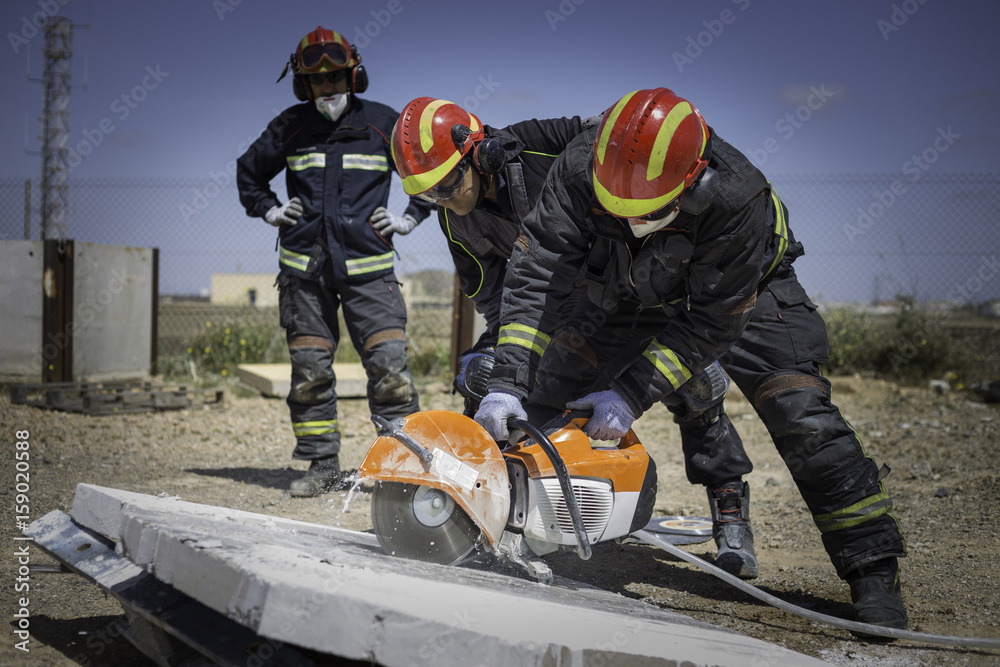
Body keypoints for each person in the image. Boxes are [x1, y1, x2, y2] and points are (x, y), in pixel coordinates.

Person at [475, 88, 908, 629]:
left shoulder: (738, 196)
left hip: (746, 292)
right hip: (627, 287)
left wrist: (629, 394)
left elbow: (712, 322)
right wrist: (508, 380)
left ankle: (872, 568)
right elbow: (539, 272)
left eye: (645, 211)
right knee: (543, 389)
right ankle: (503, 530)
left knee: (801, 415)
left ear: (694, 183)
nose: (630, 218)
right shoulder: (581, 161)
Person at [390, 97, 759, 579]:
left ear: (480, 154)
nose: (442, 200)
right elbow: (497, 301)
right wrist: (508, 372)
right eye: (428, 195)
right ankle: (495, 510)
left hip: (632, 296)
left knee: (694, 384)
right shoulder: (455, 220)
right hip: (559, 322)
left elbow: (610, 139)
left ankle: (729, 505)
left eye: (446, 184)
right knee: (486, 378)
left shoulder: (541, 147)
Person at [236, 27, 433, 498]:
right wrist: (269, 209)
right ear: (302, 84)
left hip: (370, 272)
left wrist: (409, 217)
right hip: (304, 272)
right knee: (310, 371)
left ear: (353, 75)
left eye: (335, 77)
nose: (327, 86)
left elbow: (427, 171)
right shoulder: (290, 127)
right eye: (316, 80)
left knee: (389, 368)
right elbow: (248, 173)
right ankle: (322, 465)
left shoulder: (383, 124)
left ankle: (404, 469)